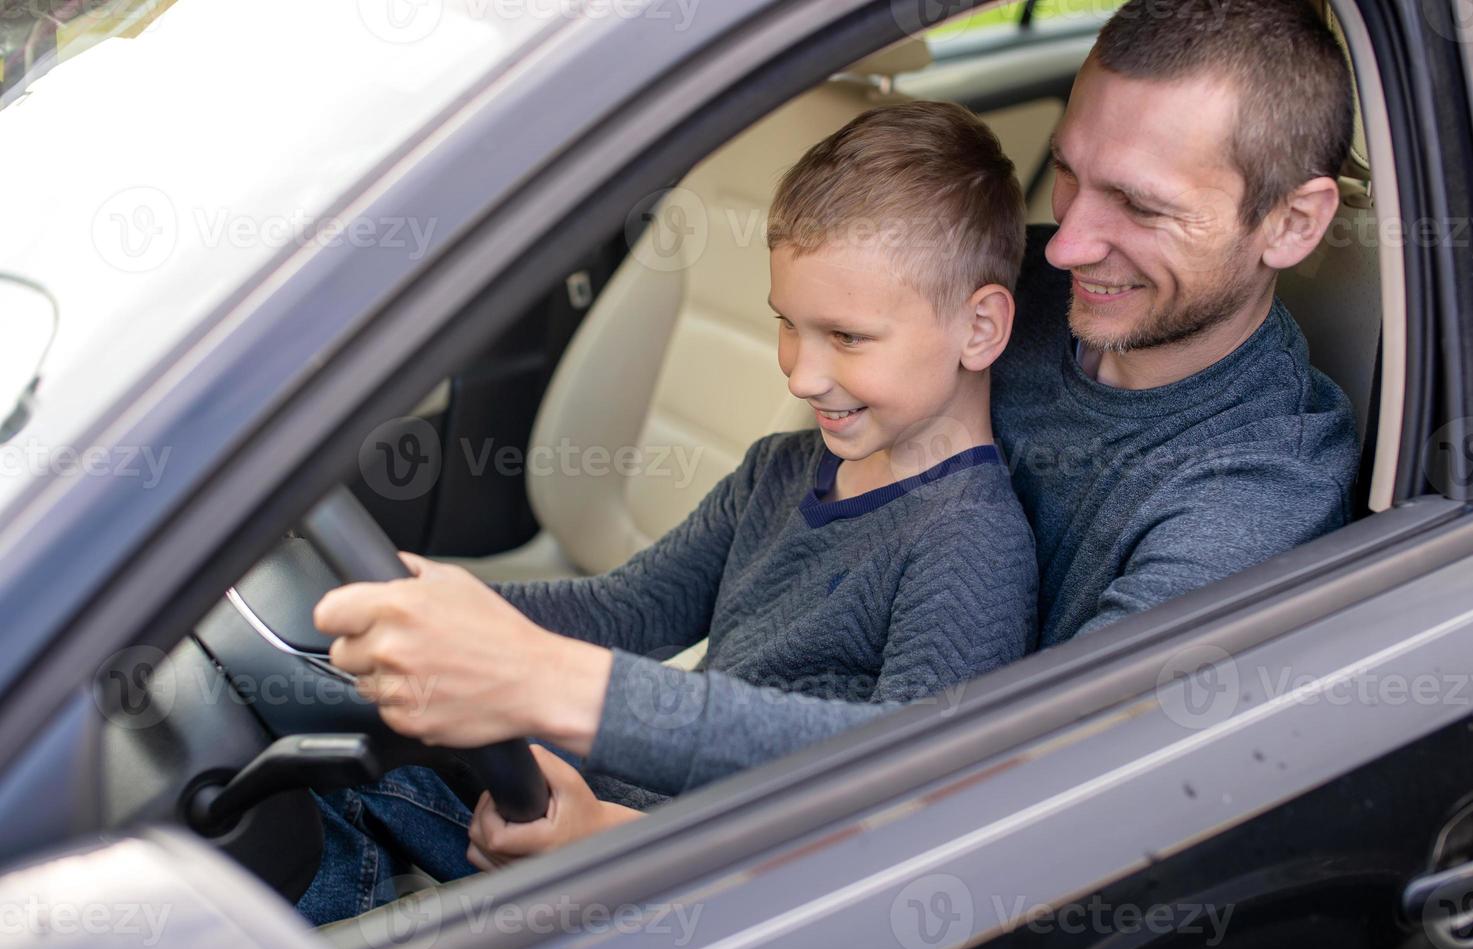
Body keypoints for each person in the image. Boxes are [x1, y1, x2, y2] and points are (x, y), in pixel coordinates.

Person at [401, 0, 1363, 869]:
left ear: (1290, 222)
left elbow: (1007, 768)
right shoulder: (1012, 290)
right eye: (1067, 175)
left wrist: (582, 717)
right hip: (707, 792)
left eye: (1141, 207)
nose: (1061, 245)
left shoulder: (1255, 487)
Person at [297, 101, 1039, 923]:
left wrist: (616, 841)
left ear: (979, 328)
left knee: (328, 813)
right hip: (623, 813)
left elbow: (897, 788)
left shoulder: (971, 546)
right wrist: (438, 604)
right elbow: (628, 608)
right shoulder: (783, 469)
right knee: (333, 765)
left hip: (699, 891)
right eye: (787, 326)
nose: (799, 375)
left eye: (847, 338)